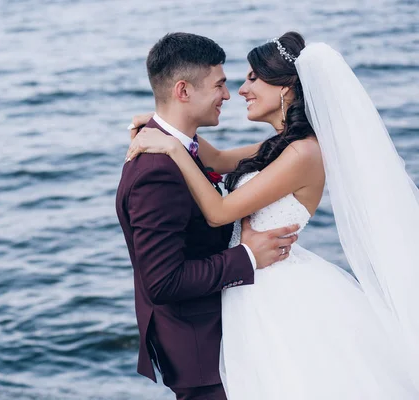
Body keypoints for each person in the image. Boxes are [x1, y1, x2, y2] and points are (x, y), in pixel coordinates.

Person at [125, 31, 419, 399]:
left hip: (272, 286)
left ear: (284, 89)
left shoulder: (303, 154)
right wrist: (162, 124)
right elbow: (213, 160)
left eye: (251, 78)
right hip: (247, 285)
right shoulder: (279, 147)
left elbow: (218, 214)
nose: (240, 91)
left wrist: (171, 146)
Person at [115, 32, 300, 400]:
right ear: (183, 91)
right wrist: (247, 256)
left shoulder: (179, 146)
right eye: (220, 84)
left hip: (222, 333)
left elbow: (252, 156)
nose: (229, 95)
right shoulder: (158, 169)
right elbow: (163, 283)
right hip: (201, 352)